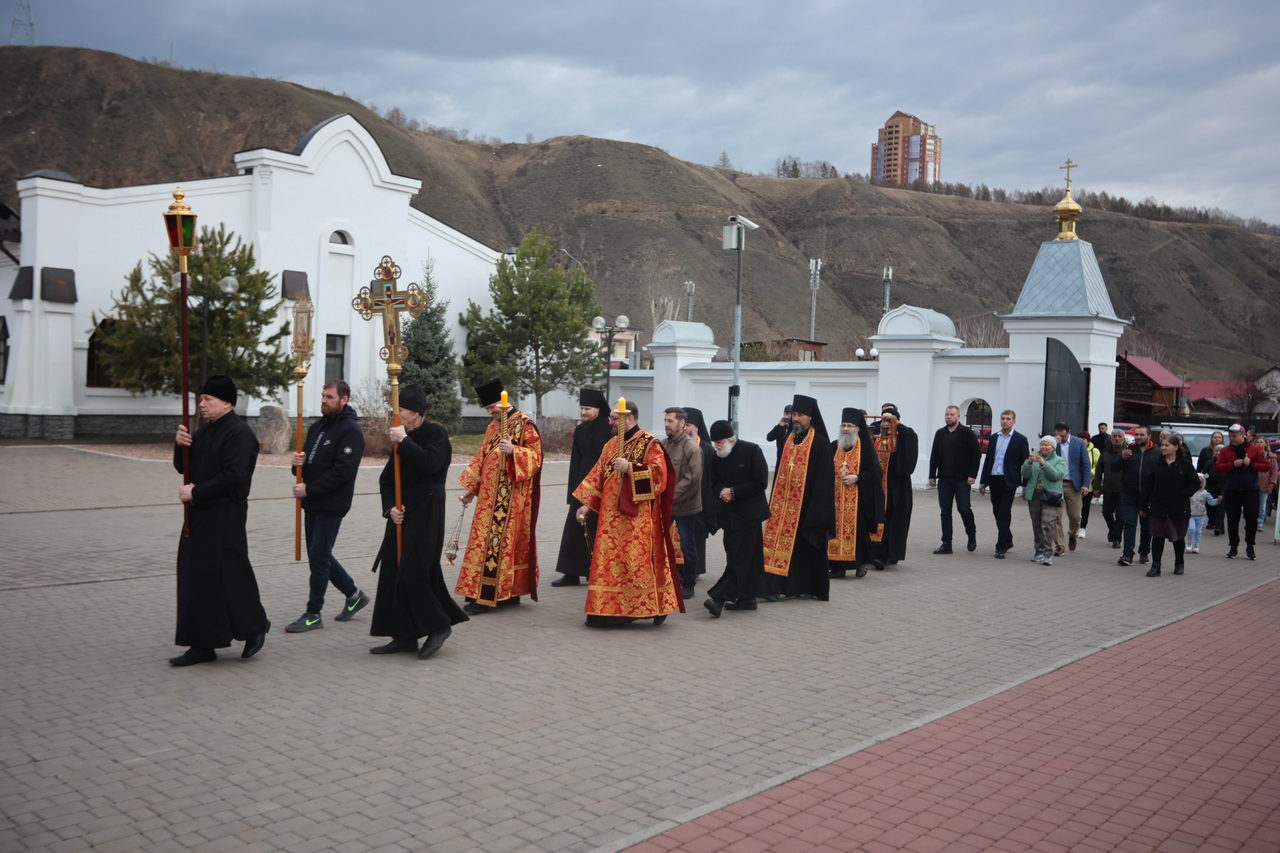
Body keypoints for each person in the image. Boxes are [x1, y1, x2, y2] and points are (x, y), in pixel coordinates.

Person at [169, 375, 270, 666]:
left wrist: (196, 492)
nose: (201, 404)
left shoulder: (239, 435)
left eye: (207, 400)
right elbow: (183, 468)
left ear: (226, 402)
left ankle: (255, 625)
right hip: (199, 514)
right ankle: (202, 644)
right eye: (201, 399)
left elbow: (234, 477)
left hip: (226, 515)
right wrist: (181, 445)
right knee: (196, 578)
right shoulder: (205, 431)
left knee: (231, 574)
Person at [368, 386, 468, 658]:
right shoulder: (402, 437)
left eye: (400, 410)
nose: (396, 415)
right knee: (393, 572)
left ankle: (439, 625)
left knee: (415, 571)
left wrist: (405, 442)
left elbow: (430, 464)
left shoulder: (436, 435)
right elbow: (387, 480)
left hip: (426, 514)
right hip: (401, 517)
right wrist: (390, 508)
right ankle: (403, 635)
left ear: (415, 413)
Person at [574, 401, 682, 626]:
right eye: (611, 418)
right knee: (608, 565)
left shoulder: (649, 443)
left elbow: (659, 478)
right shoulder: (611, 445)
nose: (610, 422)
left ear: (629, 418)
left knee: (633, 565)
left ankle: (641, 609)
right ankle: (605, 609)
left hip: (636, 520)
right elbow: (599, 476)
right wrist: (586, 504)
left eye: (614, 418)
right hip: (608, 519)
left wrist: (632, 469)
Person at [285, 379, 369, 633]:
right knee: (318, 554)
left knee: (319, 554)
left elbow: (343, 472)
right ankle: (354, 595)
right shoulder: (317, 427)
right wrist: (297, 463)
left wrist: (310, 488)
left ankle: (313, 613)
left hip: (332, 503)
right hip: (311, 502)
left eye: (329, 397)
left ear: (344, 400)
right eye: (323, 396)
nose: (323, 400)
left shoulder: (350, 430)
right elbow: (305, 465)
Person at [456, 380, 543, 613]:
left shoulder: (525, 425)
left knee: (498, 546)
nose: (490, 412)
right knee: (483, 544)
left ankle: (489, 596)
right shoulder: (494, 427)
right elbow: (482, 457)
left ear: (503, 401)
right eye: (487, 409)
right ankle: (500, 592)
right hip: (487, 498)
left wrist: (515, 451)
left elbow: (536, 458)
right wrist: (471, 490)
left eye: (492, 407)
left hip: (510, 499)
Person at [762, 394, 834, 599]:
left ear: (810, 417)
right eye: (794, 414)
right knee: (776, 545)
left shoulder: (820, 443)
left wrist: (816, 510)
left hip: (808, 506)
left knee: (805, 550)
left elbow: (824, 480)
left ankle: (804, 587)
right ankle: (775, 587)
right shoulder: (788, 438)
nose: (795, 418)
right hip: (782, 506)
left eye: (800, 415)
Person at [703, 420, 771, 616]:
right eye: (714, 443)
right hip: (729, 516)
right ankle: (747, 598)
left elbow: (760, 482)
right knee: (740, 556)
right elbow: (713, 481)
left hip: (749, 515)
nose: (716, 446)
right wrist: (721, 491)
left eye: (720, 442)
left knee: (740, 558)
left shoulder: (751, 451)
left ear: (731, 439)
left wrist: (734, 492)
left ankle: (719, 599)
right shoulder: (718, 456)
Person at [551, 389, 611, 587]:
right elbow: (575, 459)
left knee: (596, 529)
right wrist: (572, 491)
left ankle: (595, 571)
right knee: (574, 528)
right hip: (580, 483)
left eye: (587, 409)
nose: (583, 412)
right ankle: (571, 572)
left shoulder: (609, 428)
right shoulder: (580, 429)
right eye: (582, 408)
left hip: (601, 483)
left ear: (598, 409)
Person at [828, 408, 884, 578]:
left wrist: (857, 477)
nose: (846, 429)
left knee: (859, 533)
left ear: (857, 428)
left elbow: (876, 473)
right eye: (843, 425)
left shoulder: (865, 449)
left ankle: (861, 562)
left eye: (850, 426)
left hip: (858, 500)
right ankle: (838, 567)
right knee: (834, 531)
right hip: (836, 499)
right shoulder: (833, 446)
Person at [1140, 433, 1200, 577]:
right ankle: (1156, 566)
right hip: (1158, 506)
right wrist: (1143, 506)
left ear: (1176, 447)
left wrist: (1182, 494)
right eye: (1162, 445)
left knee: (1177, 537)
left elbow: (1195, 483)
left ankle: (1179, 563)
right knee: (1157, 536)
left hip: (1178, 507)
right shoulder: (1156, 463)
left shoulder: (1184, 464)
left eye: (1167, 445)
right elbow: (1147, 485)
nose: (1163, 448)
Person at [868, 404, 918, 569]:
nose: (885, 423)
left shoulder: (904, 436)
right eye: (883, 420)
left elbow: (910, 441)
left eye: (889, 420)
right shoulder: (876, 436)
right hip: (877, 489)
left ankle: (888, 555)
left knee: (892, 522)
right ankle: (874, 554)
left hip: (896, 489)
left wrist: (898, 425)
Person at [662, 407, 703, 599]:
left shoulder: (691, 447)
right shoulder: (663, 445)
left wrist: (670, 494)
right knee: (658, 542)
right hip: (667, 505)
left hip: (686, 507)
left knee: (688, 546)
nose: (667, 424)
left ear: (682, 423)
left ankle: (689, 584)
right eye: (666, 420)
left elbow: (692, 479)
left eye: (670, 421)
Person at [927, 404, 980, 554]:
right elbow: (934, 455)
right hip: (944, 479)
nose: (948, 417)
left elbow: (975, 455)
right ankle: (946, 543)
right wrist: (932, 475)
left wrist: (972, 475)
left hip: (962, 479)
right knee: (945, 511)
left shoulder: (966, 433)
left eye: (951, 415)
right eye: (947, 414)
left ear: (958, 416)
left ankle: (971, 535)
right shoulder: (940, 433)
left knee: (963, 508)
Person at [979, 410, 1030, 559]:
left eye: (1008, 419)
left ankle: (1000, 546)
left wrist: (1025, 485)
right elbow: (989, 460)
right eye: (1003, 418)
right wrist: (983, 481)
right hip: (994, 479)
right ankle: (1008, 539)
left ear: (1014, 421)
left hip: (1010, 481)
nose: (1005, 421)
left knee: (1004, 512)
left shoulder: (1020, 439)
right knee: (997, 512)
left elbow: (1025, 463)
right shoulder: (994, 437)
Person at [1214, 423, 1267, 560]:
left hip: (1251, 490)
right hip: (1232, 490)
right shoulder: (1226, 450)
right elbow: (1218, 467)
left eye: (1234, 436)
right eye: (1230, 436)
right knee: (1232, 520)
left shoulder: (1254, 449)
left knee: (1251, 519)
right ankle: (1233, 546)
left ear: (1243, 435)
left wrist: (1252, 464)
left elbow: (1265, 466)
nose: (1231, 438)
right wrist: (1232, 464)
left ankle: (1250, 546)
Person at [682, 406, 721, 588]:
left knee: (696, 535)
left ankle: (695, 569)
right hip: (678, 501)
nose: (685, 428)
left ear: (696, 427)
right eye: (683, 424)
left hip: (700, 500)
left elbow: (713, 479)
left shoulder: (706, 448)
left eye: (689, 425)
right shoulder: (675, 444)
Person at [1116, 425, 1159, 566]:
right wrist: (1122, 458)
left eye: (1142, 435)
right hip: (1129, 493)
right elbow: (1113, 468)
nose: (1138, 437)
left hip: (1149, 496)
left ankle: (1144, 552)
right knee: (1129, 524)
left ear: (1149, 436)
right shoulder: (1128, 450)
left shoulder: (1157, 452)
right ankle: (1127, 555)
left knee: (1146, 527)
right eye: (1137, 434)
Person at [1021, 436, 1066, 565]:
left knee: (1047, 523)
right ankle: (1039, 551)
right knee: (1036, 524)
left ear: (1053, 447)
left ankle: (1047, 553)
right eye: (1042, 445)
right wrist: (1028, 463)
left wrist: (1044, 464)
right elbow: (1025, 474)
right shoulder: (1034, 458)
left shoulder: (1060, 460)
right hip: (1034, 494)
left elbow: (1056, 475)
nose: (1044, 447)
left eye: (1047, 445)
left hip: (1051, 495)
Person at [1052, 422, 1092, 555]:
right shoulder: (1052, 442)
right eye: (1057, 435)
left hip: (1073, 484)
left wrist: (1085, 484)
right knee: (1055, 516)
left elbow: (1086, 465)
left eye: (1062, 436)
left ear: (1068, 432)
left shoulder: (1078, 443)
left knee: (1075, 516)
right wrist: (1054, 444)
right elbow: (1044, 458)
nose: (1060, 438)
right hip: (1055, 483)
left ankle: (1072, 534)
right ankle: (1060, 545)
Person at [1095, 430, 1128, 548]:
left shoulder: (1128, 452)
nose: (1117, 438)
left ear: (1124, 439)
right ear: (1111, 438)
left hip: (1123, 490)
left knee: (1121, 516)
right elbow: (1099, 470)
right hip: (1108, 488)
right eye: (1115, 436)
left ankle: (1116, 539)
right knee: (1106, 512)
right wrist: (1097, 487)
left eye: (1120, 436)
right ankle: (1113, 530)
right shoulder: (1105, 452)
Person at [1196, 430, 1226, 536]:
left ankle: (1219, 527)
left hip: (1223, 486)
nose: (1218, 453)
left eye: (1219, 437)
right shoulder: (1209, 461)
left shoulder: (1227, 461)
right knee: (1210, 505)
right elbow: (1203, 471)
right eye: (1216, 451)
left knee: (1220, 507)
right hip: (1210, 486)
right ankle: (1212, 521)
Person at [1186, 474, 1218, 555]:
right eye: (1197, 482)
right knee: (1191, 529)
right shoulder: (1190, 491)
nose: (1199, 484)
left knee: (1198, 531)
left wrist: (1218, 500)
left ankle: (1196, 546)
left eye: (1201, 482)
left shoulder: (1205, 493)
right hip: (1191, 515)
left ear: (1203, 483)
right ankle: (1189, 544)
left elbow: (1211, 502)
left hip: (1201, 515)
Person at [1077, 430, 1100, 540]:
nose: (1082, 441)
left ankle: (1082, 528)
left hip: (1088, 484)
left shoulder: (1094, 451)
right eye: (1080, 439)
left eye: (1084, 439)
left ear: (1088, 440)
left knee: (1085, 507)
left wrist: (1092, 472)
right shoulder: (1074, 450)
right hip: (1075, 484)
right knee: (1075, 508)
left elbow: (1098, 466)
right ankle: (1075, 526)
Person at [1254, 436, 1277, 532]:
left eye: (1261, 442)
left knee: (1262, 506)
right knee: (1252, 505)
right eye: (1257, 442)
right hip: (1252, 485)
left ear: (1265, 444)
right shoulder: (1252, 456)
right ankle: (1252, 522)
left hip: (1265, 486)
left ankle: (1260, 523)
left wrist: (1271, 485)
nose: (1259, 444)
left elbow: (1274, 472)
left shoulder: (1271, 458)